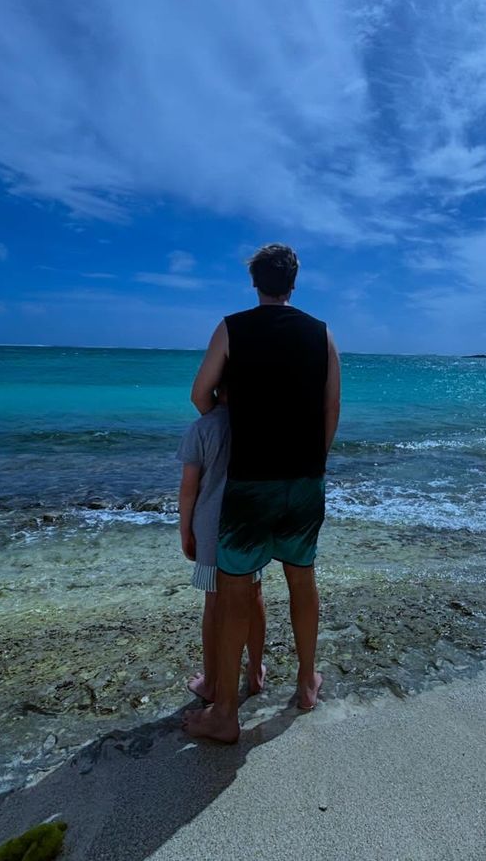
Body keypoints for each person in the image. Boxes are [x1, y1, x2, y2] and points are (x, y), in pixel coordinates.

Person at [183, 243, 340, 743]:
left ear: (255, 282)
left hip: (249, 482)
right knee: (302, 581)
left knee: (233, 594)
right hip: (303, 479)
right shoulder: (321, 334)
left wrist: (229, 408)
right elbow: (331, 408)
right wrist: (313, 460)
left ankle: (226, 711)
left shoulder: (232, 327)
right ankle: (306, 683)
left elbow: (199, 395)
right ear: (293, 282)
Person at [176, 384, 266, 702]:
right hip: (250, 523)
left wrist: (184, 529)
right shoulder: (258, 425)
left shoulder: (202, 428)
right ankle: (255, 673)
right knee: (253, 594)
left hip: (211, 526)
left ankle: (212, 682)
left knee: (215, 604)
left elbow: (189, 489)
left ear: (216, 387)